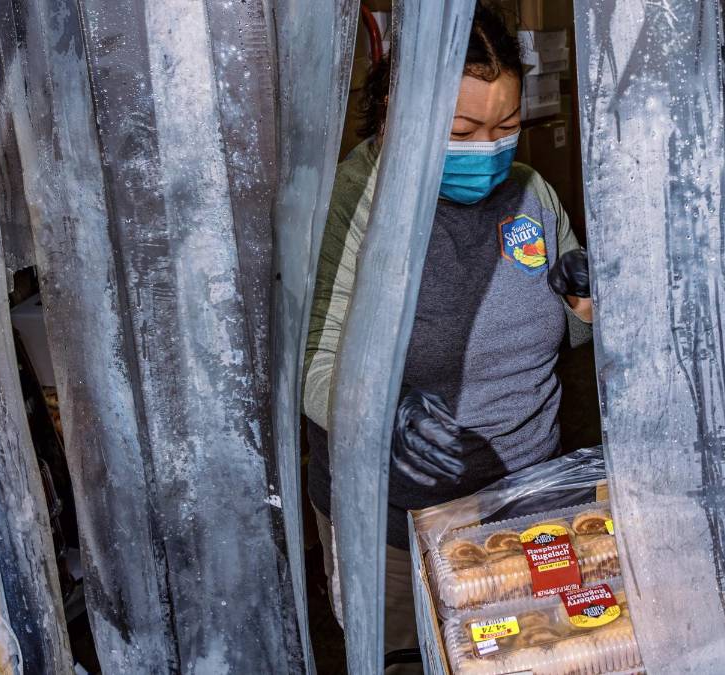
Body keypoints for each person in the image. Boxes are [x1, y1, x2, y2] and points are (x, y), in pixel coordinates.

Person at [301, 3, 592, 668]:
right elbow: (311, 357)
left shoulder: (531, 193)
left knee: (527, 650)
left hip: (526, 504)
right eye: (463, 131)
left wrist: (584, 303)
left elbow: (567, 335)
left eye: (506, 128)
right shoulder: (356, 200)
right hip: (398, 523)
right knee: (410, 656)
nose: (489, 149)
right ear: (401, 111)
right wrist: (377, 416)